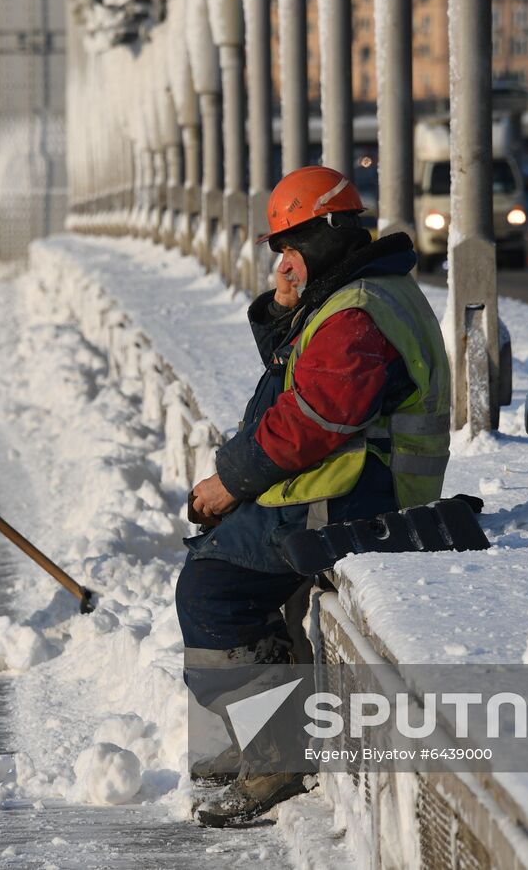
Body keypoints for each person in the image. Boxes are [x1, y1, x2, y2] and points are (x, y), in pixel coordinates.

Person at [176, 166, 451, 827]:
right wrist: (284, 305)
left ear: (330, 233)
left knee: (213, 585)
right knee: (219, 558)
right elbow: (299, 377)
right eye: (278, 248)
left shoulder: (359, 313)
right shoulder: (353, 295)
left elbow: (311, 420)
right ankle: (229, 747)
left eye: (293, 243)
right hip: (344, 485)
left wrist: (230, 481)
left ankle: (277, 752)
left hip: (361, 497)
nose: (284, 259)